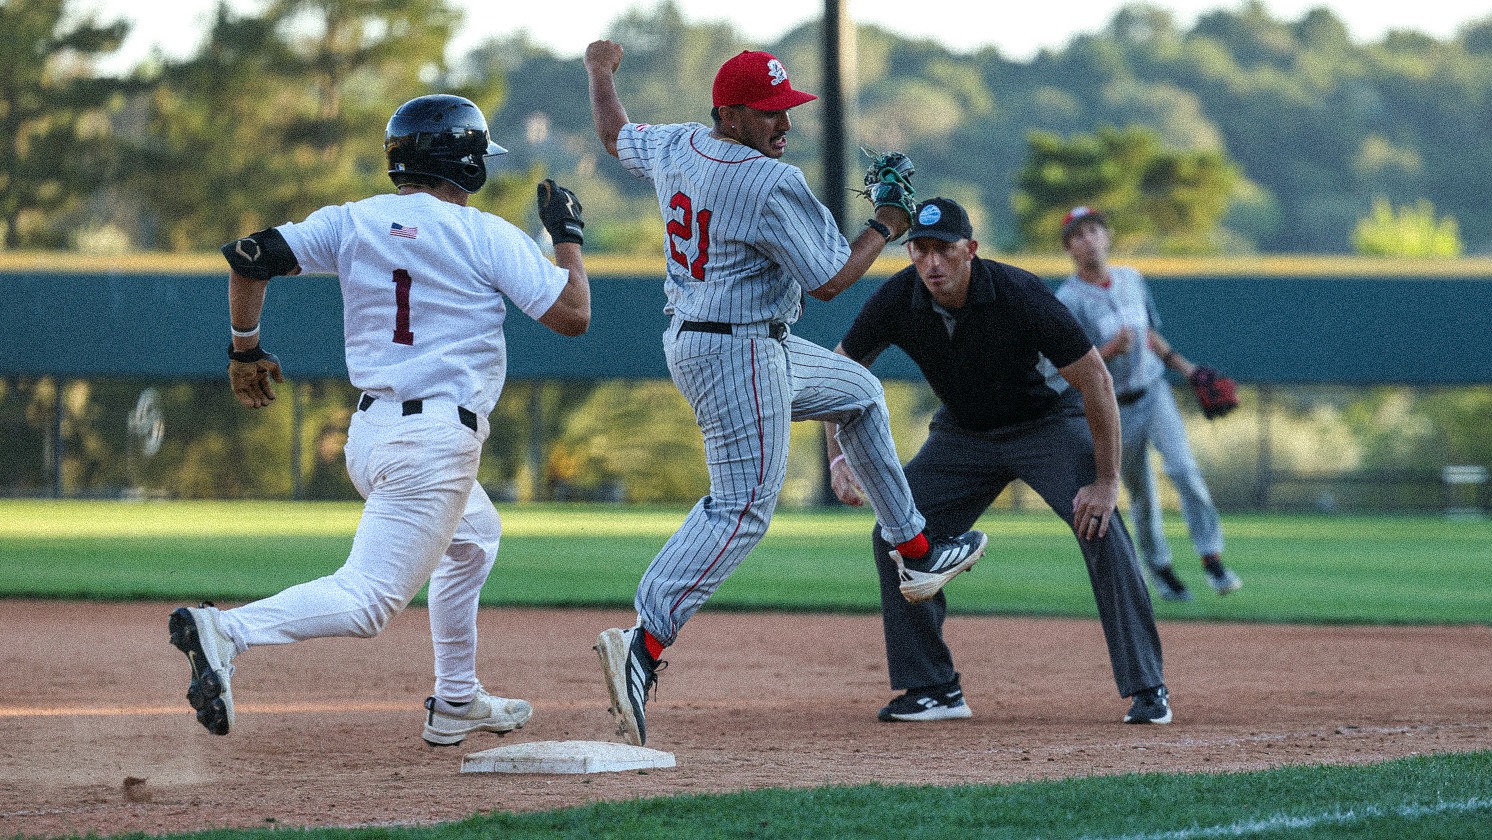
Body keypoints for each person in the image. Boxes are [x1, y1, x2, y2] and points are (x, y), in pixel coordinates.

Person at [583, 41, 987, 746]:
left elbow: (616, 134)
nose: (784, 124)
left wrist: (599, 74)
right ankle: (643, 646)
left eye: (786, 110)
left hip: (716, 336)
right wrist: (888, 225)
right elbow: (831, 279)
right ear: (731, 114)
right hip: (738, 347)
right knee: (741, 509)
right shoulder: (767, 183)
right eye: (770, 113)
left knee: (859, 391)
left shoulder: (679, 142)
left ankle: (917, 548)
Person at [168, 94, 593, 746]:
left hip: (369, 436)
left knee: (474, 540)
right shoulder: (485, 234)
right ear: (467, 163)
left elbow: (249, 256)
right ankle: (227, 632)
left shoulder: (352, 221)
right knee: (368, 602)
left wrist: (244, 348)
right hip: (433, 442)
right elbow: (573, 317)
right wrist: (567, 239)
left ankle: (456, 699)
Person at [826, 197, 1172, 725]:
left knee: (1099, 525)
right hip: (962, 436)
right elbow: (840, 369)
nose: (932, 263)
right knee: (895, 531)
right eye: (920, 250)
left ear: (971, 249)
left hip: (1045, 426)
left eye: (945, 249)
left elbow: (1096, 382)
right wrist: (839, 457)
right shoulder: (899, 296)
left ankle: (1148, 688)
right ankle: (934, 688)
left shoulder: (1018, 292)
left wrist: (1105, 481)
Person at [1056, 206, 1242, 601]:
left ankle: (1211, 556)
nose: (1088, 239)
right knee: (1142, 496)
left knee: (1185, 470)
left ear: (1106, 236)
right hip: (1112, 408)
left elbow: (1150, 338)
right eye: (1078, 234)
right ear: (1070, 247)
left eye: (1093, 230)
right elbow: (1068, 367)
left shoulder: (1131, 279)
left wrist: (1188, 371)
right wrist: (1107, 350)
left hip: (1154, 391)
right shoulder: (1069, 300)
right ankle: (1160, 567)